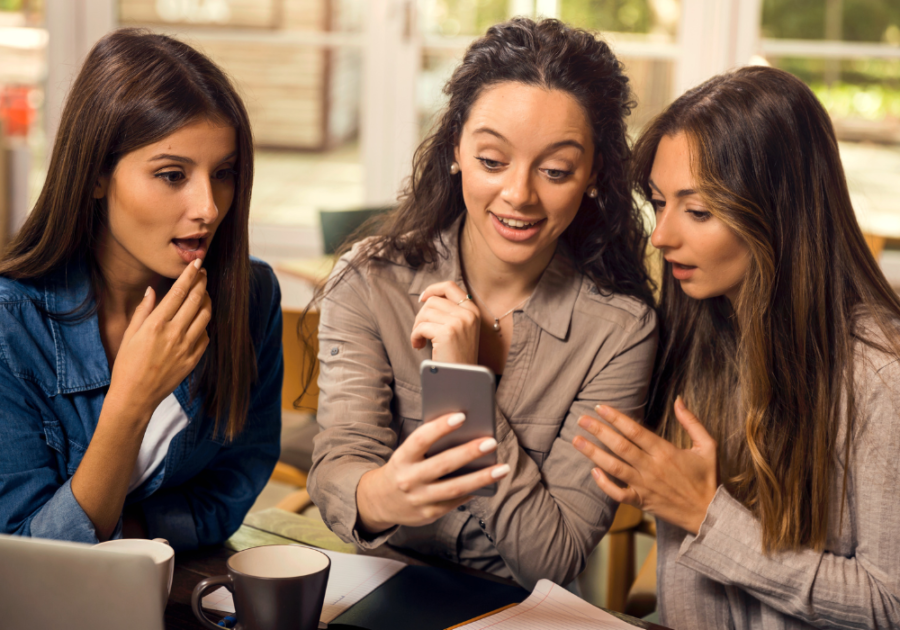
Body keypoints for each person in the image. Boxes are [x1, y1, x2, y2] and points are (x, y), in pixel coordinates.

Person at [307, 17, 657, 589]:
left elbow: (555, 559)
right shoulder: (371, 282)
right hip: (377, 588)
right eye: (493, 161)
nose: (518, 194)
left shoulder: (620, 332)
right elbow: (339, 473)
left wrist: (469, 387)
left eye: (555, 170)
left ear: (593, 175)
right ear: (455, 151)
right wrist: (383, 495)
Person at [574, 65, 900, 628]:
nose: (663, 235)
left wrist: (706, 517)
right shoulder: (694, 333)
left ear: (781, 214)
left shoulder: (881, 379)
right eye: (658, 203)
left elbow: (888, 602)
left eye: (698, 211)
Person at [0, 29, 283, 550]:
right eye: (173, 175)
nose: (209, 207)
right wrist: (130, 401)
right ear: (95, 175)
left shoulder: (250, 294)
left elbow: (230, 489)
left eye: (224, 173)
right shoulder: (9, 327)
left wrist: (126, 537)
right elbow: (27, 557)